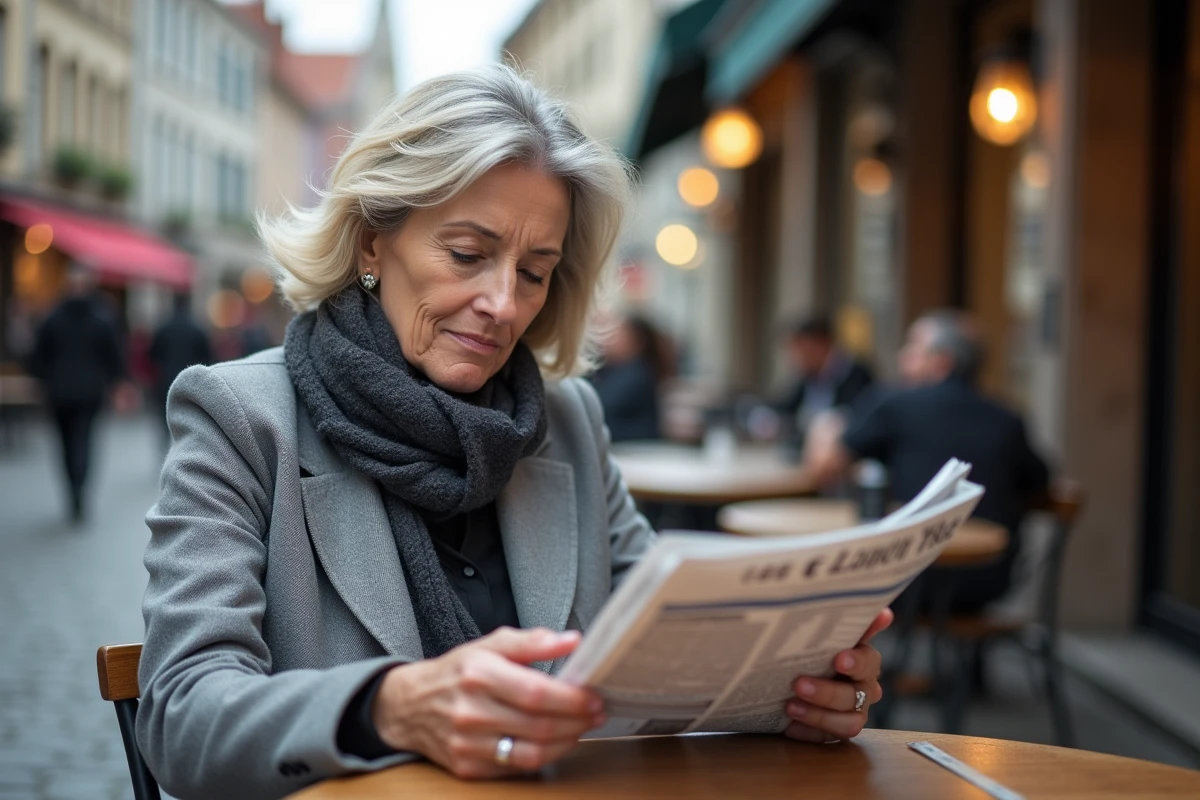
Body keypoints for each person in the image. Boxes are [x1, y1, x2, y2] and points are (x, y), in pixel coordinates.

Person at [135, 66, 889, 799]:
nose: (502, 302)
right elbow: (181, 717)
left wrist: (801, 689)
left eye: (535, 271)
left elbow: (671, 646)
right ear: (372, 243)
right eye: (467, 255)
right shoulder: (241, 416)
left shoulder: (566, 420)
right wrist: (391, 706)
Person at [805, 310, 1050, 611]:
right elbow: (1041, 481)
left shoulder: (895, 404)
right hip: (989, 577)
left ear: (941, 361)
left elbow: (824, 466)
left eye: (913, 349)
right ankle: (966, 656)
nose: (902, 357)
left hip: (908, 576)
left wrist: (824, 426)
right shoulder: (1007, 417)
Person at [27, 266, 127, 522]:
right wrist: (116, 383)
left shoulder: (52, 317)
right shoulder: (101, 318)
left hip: (59, 391)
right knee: (84, 441)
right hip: (90, 392)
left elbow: (37, 358)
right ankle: (80, 489)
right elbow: (114, 358)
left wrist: (44, 380)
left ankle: (73, 489)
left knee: (64, 444)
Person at [589, 314, 667, 442]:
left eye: (618, 334)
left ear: (635, 341)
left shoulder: (636, 373)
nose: (608, 340)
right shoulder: (611, 369)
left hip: (636, 447)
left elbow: (602, 405)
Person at [149, 294, 212, 444]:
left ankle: (167, 448)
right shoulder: (197, 329)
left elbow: (153, 354)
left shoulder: (163, 327)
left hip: (165, 378)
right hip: (191, 381)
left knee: (164, 418)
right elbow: (207, 357)